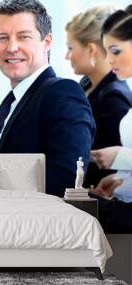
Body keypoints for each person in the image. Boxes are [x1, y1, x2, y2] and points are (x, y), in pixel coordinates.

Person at [0, 0, 95, 198]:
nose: (12, 47)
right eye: (3, 38)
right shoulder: (9, 104)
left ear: (47, 42)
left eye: (24, 37)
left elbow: (67, 178)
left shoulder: (62, 93)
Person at [65, 6, 132, 188]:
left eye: (71, 48)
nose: (66, 56)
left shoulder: (114, 100)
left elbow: (114, 170)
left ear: (91, 50)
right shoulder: (85, 84)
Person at [89, 7, 132, 233]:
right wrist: (119, 181)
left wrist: (120, 157)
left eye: (115, 51)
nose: (109, 60)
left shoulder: (115, 95)